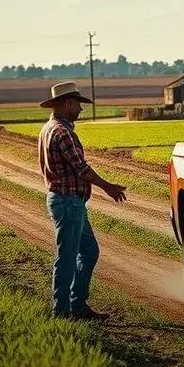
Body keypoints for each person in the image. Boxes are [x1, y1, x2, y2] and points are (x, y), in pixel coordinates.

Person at [37, 82, 127, 320]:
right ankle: (62, 311)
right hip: (68, 202)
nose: (81, 109)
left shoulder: (49, 128)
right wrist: (108, 187)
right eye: (78, 104)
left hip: (68, 201)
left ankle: (76, 304)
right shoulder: (62, 132)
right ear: (68, 103)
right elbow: (82, 169)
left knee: (88, 251)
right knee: (67, 257)